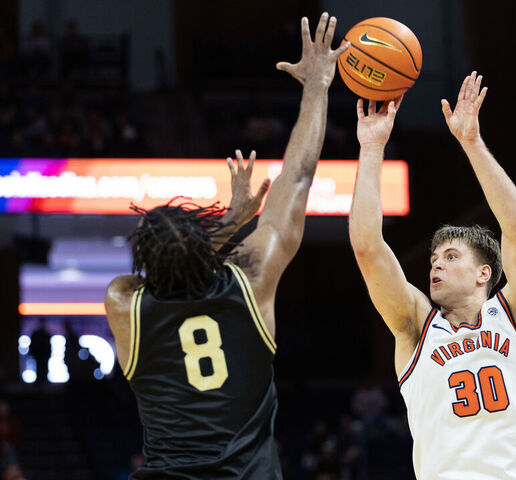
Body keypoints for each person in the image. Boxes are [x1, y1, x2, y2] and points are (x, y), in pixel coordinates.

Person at [104, 13, 348, 479]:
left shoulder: (124, 304)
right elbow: (297, 178)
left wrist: (228, 223)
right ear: (206, 241)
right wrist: (317, 85)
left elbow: (166, 269)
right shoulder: (251, 281)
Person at [348, 72, 516, 479]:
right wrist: (371, 147)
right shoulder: (416, 326)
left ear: (483, 274)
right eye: (434, 258)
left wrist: (471, 143)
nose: (435, 264)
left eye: (451, 256)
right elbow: (367, 247)